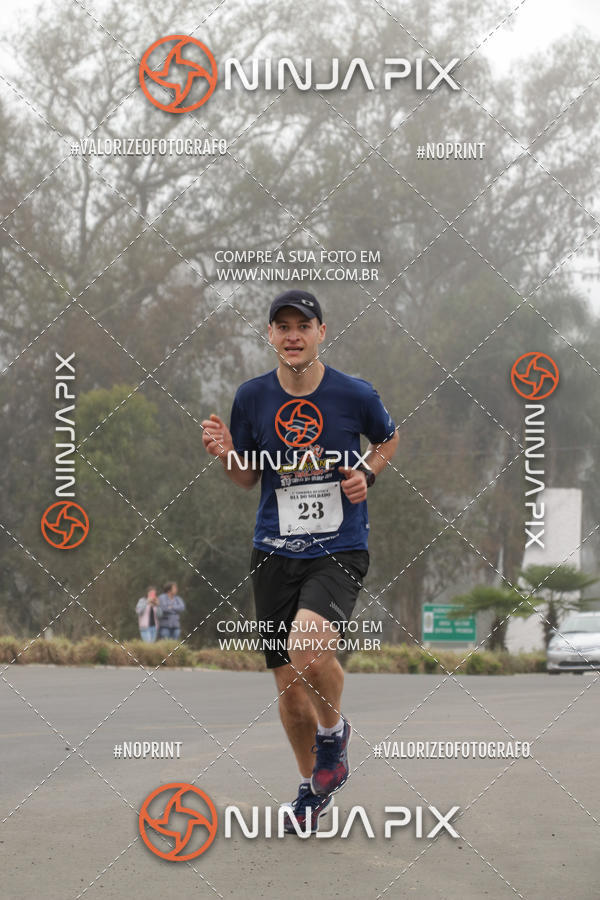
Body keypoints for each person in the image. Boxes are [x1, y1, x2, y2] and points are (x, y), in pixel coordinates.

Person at [201, 288, 399, 834]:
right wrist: (226, 455)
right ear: (270, 336)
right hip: (272, 552)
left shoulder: (353, 394)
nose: (292, 335)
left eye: (302, 326)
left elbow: (388, 439)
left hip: (337, 548)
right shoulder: (252, 398)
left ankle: (333, 735)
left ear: (321, 332)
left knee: (308, 648)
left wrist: (370, 473)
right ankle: (312, 789)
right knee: (289, 690)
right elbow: (246, 477)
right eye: (282, 326)